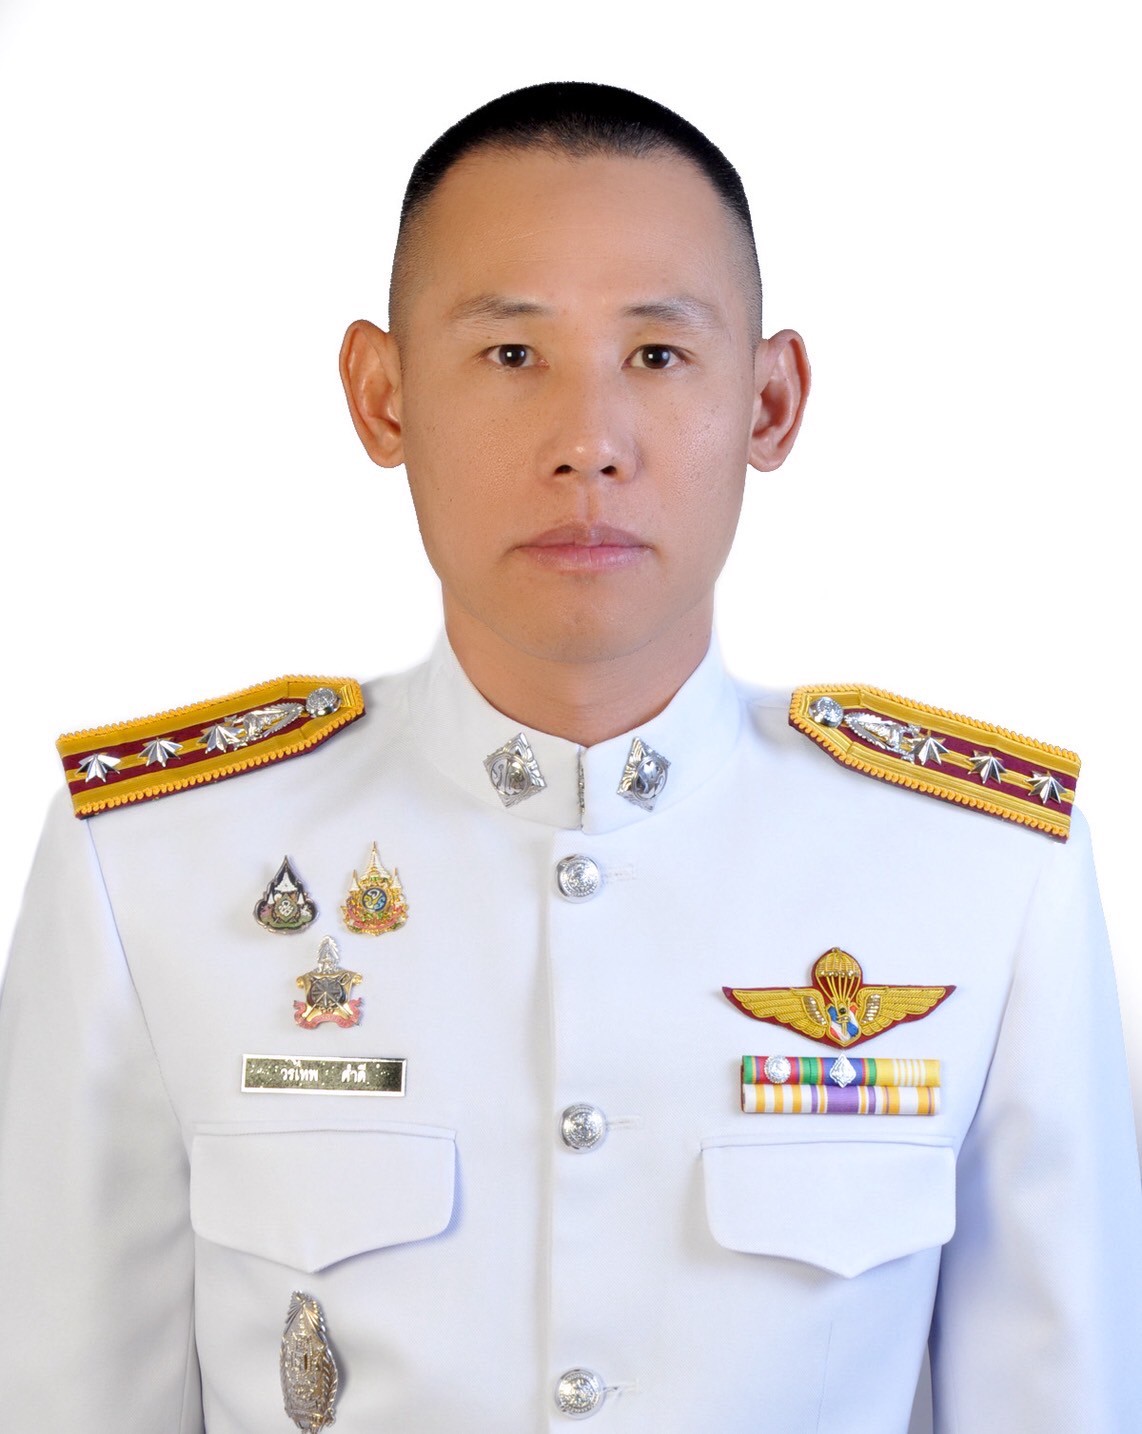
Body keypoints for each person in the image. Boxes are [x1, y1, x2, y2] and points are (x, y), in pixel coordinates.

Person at [0, 80, 1138, 1434]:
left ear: (770, 401)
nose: (587, 444)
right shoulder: (151, 868)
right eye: (509, 353)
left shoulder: (979, 876)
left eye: (656, 353)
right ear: (382, 395)